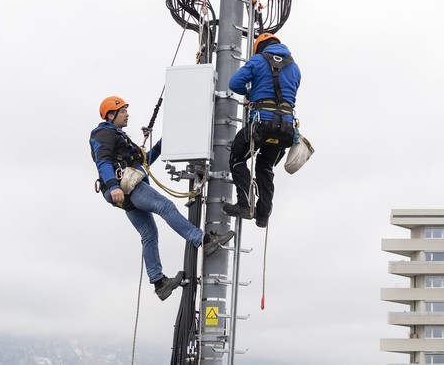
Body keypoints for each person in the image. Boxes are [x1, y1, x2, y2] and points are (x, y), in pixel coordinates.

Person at [89, 96, 235, 301]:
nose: (127, 114)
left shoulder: (119, 138)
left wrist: (161, 144)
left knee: (149, 233)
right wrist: (113, 186)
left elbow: (144, 160)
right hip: (125, 188)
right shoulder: (103, 133)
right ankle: (203, 240)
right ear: (111, 115)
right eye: (123, 111)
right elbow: (102, 161)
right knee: (165, 207)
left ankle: (159, 284)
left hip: (125, 191)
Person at [222, 33, 301, 228]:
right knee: (265, 167)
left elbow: (234, 84)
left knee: (238, 159)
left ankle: (245, 206)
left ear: (259, 48)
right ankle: (263, 215)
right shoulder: (295, 67)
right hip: (285, 129)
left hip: (261, 124)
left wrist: (251, 93)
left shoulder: (258, 60)